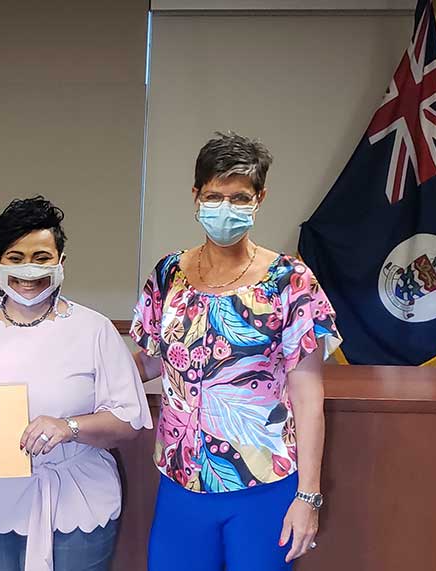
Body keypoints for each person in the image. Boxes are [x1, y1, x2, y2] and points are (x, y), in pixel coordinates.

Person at [131, 132, 342, 571]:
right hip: (180, 480)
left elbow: (307, 395)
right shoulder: (169, 273)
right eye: (213, 195)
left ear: (259, 198)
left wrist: (309, 495)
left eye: (239, 197)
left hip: (262, 484)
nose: (224, 208)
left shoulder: (291, 281)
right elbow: (150, 360)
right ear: (195, 195)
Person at [0, 197, 152, 571]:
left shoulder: (94, 330)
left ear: (61, 262)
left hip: (77, 497)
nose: (28, 270)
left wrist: (69, 427)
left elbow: (128, 422)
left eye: (42, 257)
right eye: (15, 257)